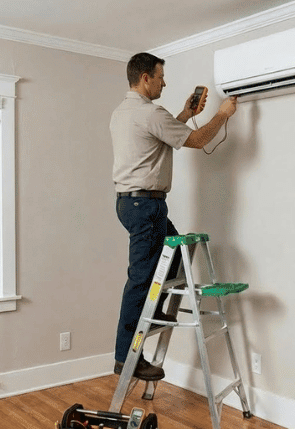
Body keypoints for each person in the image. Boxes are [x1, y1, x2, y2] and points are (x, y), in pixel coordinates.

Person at [110, 52, 238, 380]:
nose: (164, 82)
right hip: (145, 206)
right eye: (160, 76)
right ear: (144, 78)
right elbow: (195, 140)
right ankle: (127, 356)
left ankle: (150, 316)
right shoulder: (150, 112)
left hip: (133, 204)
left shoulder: (124, 112)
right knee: (141, 279)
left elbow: (161, 136)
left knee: (177, 257)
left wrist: (184, 113)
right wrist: (222, 115)